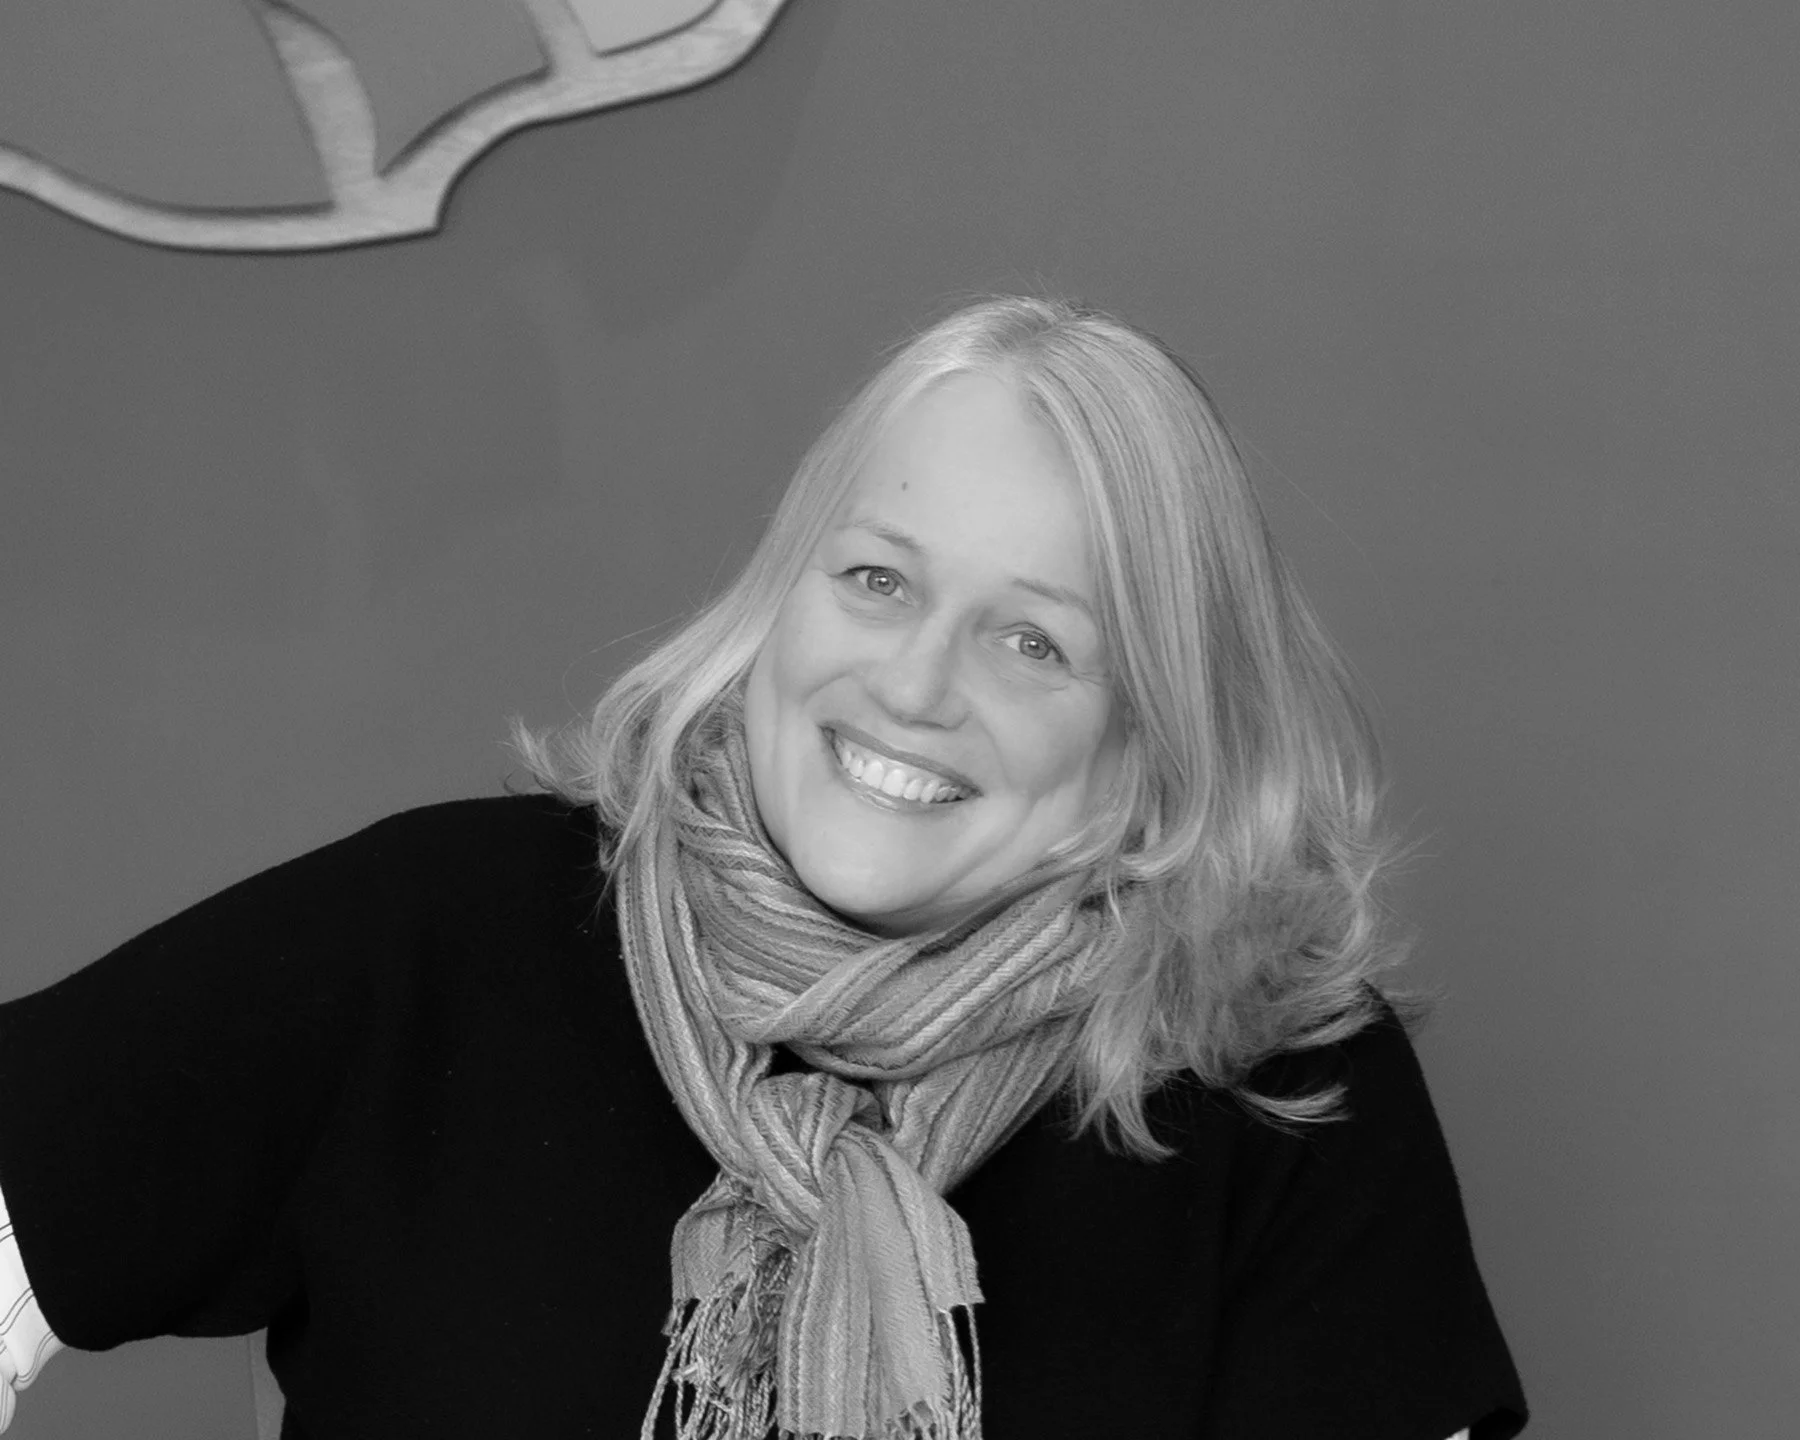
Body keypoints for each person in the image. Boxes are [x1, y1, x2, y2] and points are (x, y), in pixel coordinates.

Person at [0, 296, 1526, 1439]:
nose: (915, 684)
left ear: (1150, 732)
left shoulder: (1276, 1084)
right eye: (877, 580)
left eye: (1032, 640)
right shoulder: (439, 937)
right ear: (782, 595)